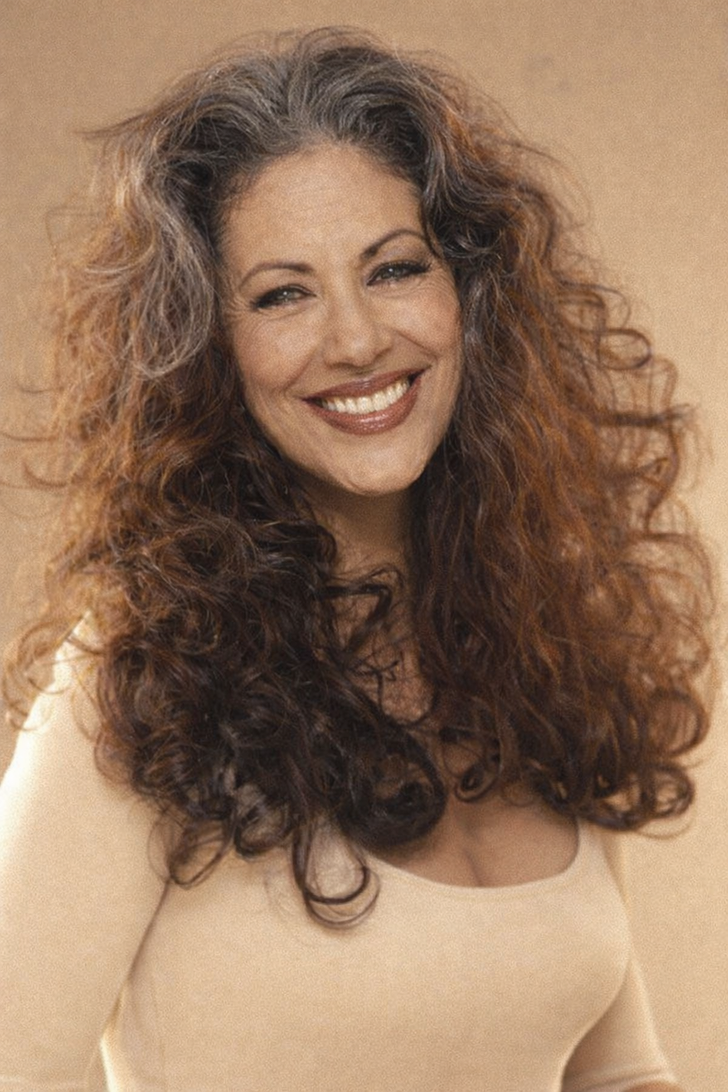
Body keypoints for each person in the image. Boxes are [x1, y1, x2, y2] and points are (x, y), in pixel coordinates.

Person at [0, 25, 713, 1092]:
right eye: (283, 293)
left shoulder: (535, 644)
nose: (356, 339)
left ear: (470, 296)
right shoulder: (143, 680)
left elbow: (617, 1076)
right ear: (207, 346)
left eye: (393, 269)